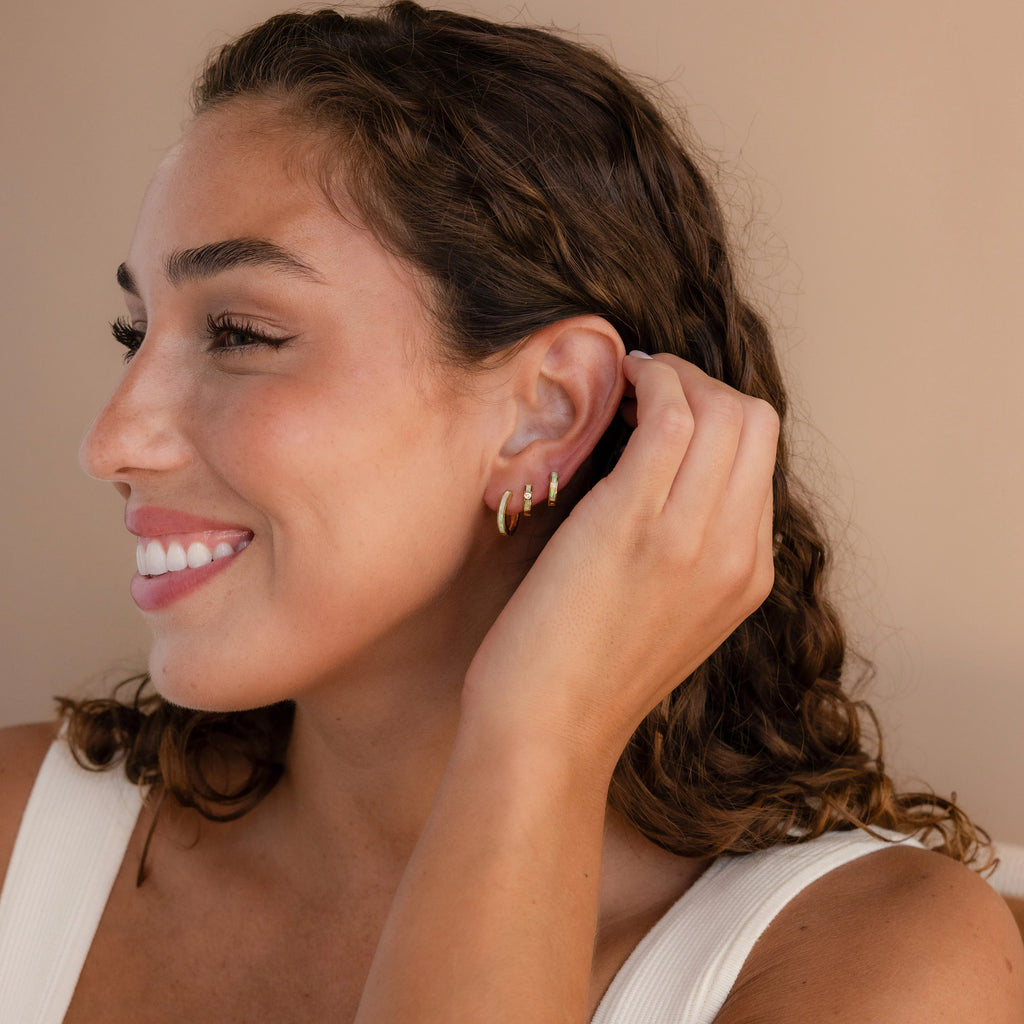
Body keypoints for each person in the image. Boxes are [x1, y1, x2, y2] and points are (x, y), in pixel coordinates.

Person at [0, 2, 1021, 1021]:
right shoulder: (18, 841)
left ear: (546, 413)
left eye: (239, 332)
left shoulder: (873, 962)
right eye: (134, 331)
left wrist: (539, 732)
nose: (113, 440)